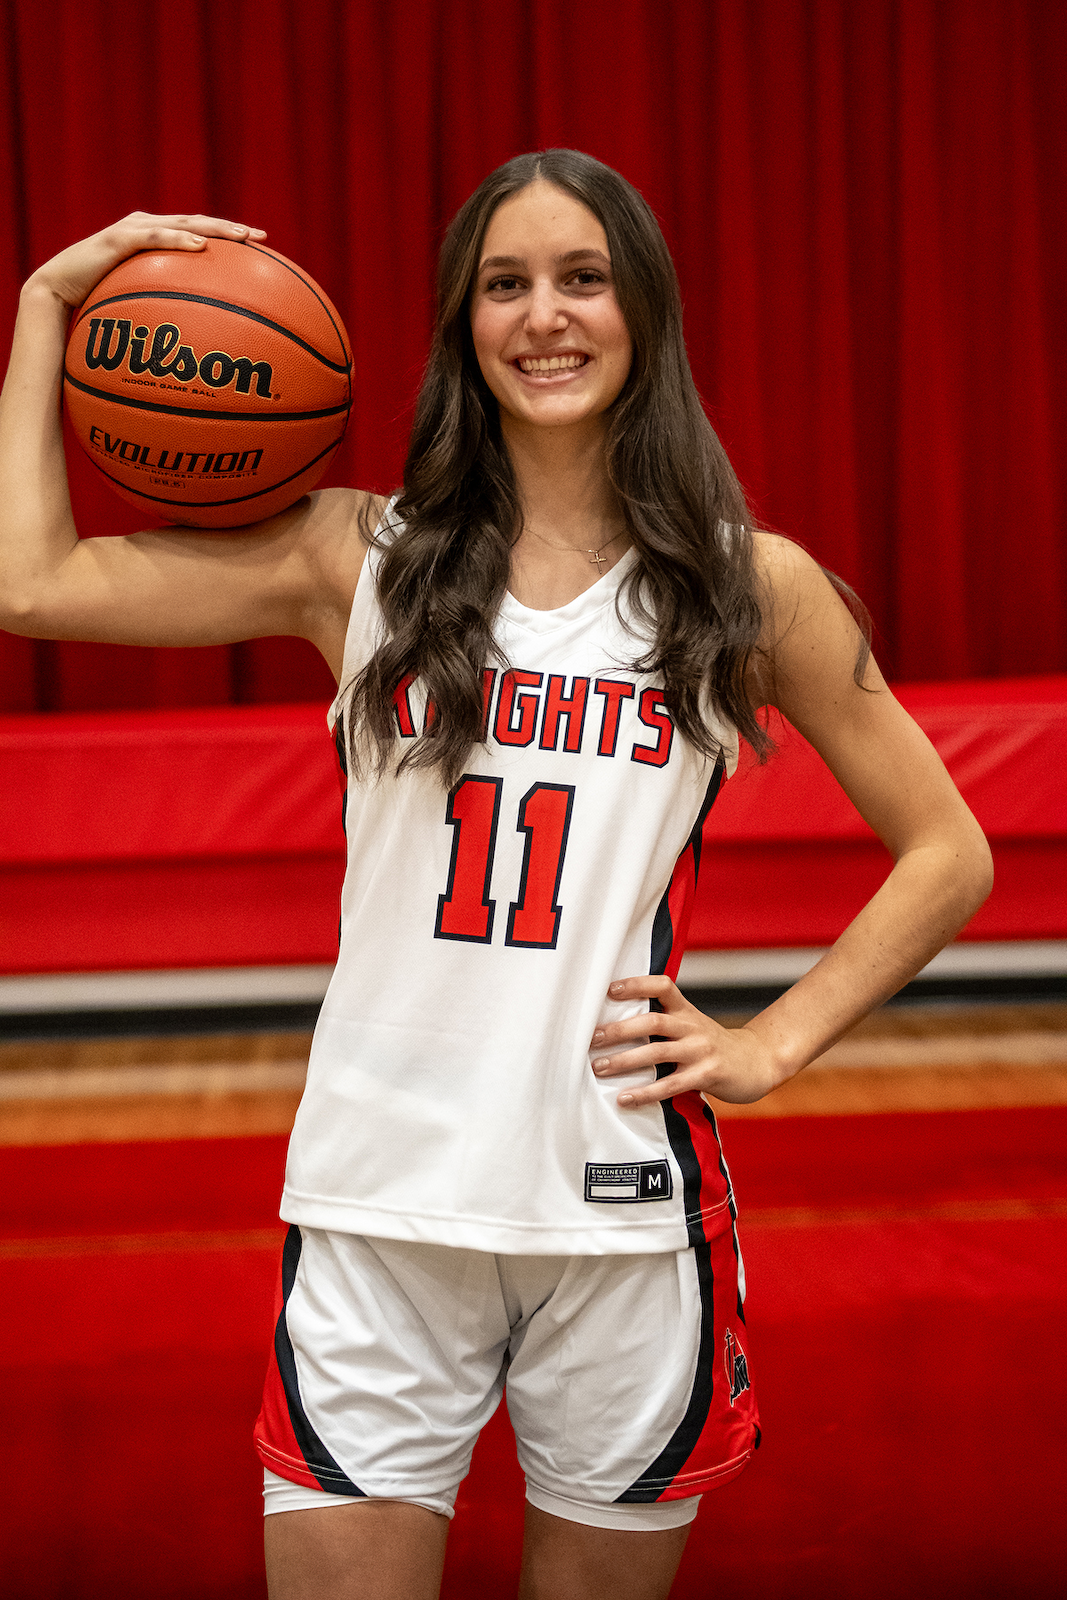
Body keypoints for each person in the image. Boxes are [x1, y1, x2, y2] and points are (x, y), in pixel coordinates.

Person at [0, 151, 992, 1600]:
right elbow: (28, 582)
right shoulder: (355, 555)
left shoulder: (742, 584)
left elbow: (948, 849)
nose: (544, 316)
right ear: (462, 324)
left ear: (642, 308)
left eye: (583, 278)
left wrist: (773, 1041)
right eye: (504, 284)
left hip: (617, 1207)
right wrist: (45, 304)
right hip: (377, 1201)